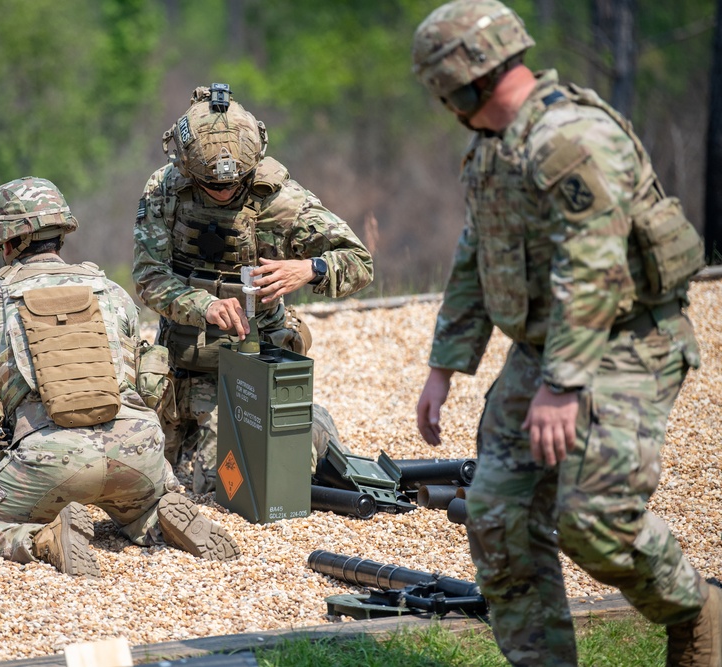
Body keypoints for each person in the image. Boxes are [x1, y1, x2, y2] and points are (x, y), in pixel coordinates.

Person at [410, 2, 719, 665]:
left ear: (461, 85)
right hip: (549, 350)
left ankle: (698, 610)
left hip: (627, 341)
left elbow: (595, 264)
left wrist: (563, 384)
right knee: (498, 516)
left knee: (594, 520)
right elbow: (477, 252)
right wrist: (445, 365)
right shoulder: (494, 148)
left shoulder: (570, 140)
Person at [0, 176, 240, 577]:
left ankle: (43, 540)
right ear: (61, 234)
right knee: (134, 498)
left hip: (55, 459)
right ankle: (155, 516)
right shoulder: (110, 291)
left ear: (5, 242)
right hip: (138, 449)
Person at [132, 83, 374, 494]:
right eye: (212, 185)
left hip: (248, 364)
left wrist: (309, 268)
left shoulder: (281, 201)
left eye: (234, 184)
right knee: (135, 472)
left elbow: (359, 262)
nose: (225, 192)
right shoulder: (165, 192)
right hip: (181, 362)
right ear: (188, 170)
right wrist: (203, 306)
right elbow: (149, 276)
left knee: (221, 485)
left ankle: (307, 425)